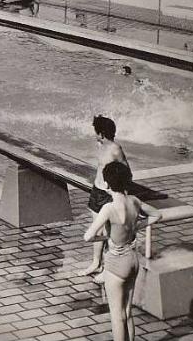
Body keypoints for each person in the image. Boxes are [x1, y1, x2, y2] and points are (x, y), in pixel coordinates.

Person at [84, 162, 161, 341]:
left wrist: (106, 238)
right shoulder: (134, 201)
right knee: (127, 312)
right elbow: (157, 215)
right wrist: (137, 226)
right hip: (133, 261)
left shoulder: (108, 208)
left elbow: (88, 236)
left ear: (106, 184)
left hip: (116, 262)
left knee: (116, 317)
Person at [79, 115, 130, 277]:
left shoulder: (116, 149)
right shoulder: (101, 144)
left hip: (107, 193)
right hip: (97, 191)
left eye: (96, 132)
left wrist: (116, 190)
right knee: (98, 229)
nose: (95, 135)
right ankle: (96, 263)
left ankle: (108, 268)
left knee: (109, 231)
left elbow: (127, 172)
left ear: (101, 134)